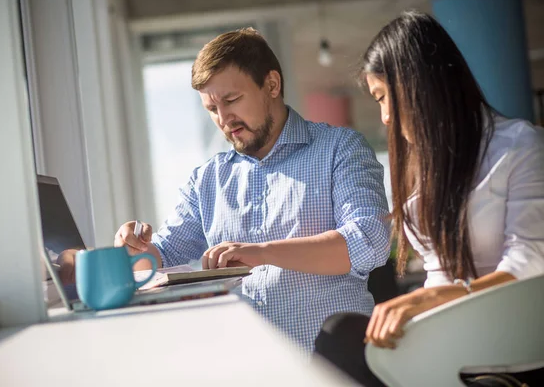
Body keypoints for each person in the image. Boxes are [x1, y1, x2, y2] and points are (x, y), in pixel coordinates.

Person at [113, 27, 391, 353]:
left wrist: (264, 253)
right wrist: (134, 251)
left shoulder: (340, 149)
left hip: (332, 366)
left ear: (271, 85)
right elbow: (159, 262)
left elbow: (370, 240)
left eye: (231, 100)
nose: (223, 119)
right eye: (211, 109)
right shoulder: (207, 180)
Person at [314, 11, 544, 386]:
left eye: (384, 97)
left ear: (418, 84)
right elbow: (438, 274)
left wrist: (427, 300)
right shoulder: (426, 171)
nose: (385, 117)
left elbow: (529, 265)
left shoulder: (520, 147)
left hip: (514, 356)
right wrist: (419, 305)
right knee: (338, 335)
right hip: (453, 341)